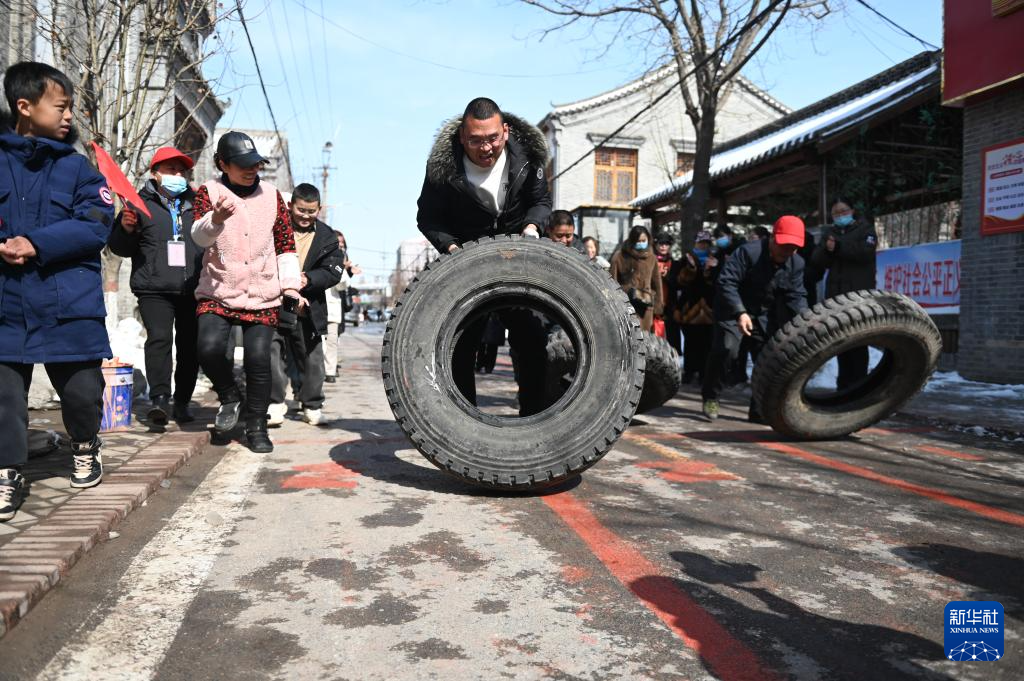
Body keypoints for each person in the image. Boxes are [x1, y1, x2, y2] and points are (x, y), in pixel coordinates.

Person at [0, 62, 113, 521]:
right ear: (25, 107)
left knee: (82, 391)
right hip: (7, 303)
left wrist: (36, 243)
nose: (68, 116)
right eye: (60, 106)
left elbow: (96, 223)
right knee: (4, 396)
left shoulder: (79, 169)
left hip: (69, 302)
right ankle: (7, 470)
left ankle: (84, 445)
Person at [416, 97, 552, 416]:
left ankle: (535, 420)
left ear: (505, 131)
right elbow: (428, 217)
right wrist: (452, 249)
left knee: (532, 341)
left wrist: (531, 228)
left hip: (516, 261)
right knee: (460, 346)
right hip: (467, 267)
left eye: (493, 138)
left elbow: (541, 202)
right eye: (476, 140)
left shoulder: (527, 158)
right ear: (463, 137)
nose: (486, 147)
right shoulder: (443, 168)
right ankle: (464, 424)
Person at [191, 131, 302, 453]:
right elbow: (199, 238)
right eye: (243, 165)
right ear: (223, 164)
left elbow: (285, 245)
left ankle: (256, 426)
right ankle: (230, 396)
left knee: (258, 360)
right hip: (218, 288)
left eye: (256, 164)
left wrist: (291, 288)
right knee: (208, 348)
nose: (252, 170)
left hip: (262, 291)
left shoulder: (273, 196)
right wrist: (215, 219)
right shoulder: (209, 192)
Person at [108, 147, 202, 425]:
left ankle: (182, 401)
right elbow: (119, 248)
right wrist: (126, 229)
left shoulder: (198, 204)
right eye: (171, 169)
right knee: (159, 339)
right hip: (153, 287)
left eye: (181, 171)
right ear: (155, 173)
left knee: (189, 346)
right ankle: (159, 399)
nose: (178, 175)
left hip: (192, 287)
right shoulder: (137, 205)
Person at [701, 216, 808, 422]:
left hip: (763, 314)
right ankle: (711, 396)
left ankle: (758, 407)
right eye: (784, 246)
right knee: (727, 350)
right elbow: (727, 282)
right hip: (732, 309)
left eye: (793, 248)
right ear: (773, 238)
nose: (787, 252)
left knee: (768, 359)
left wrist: (805, 319)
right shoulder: (748, 252)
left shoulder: (797, 263)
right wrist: (740, 312)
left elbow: (797, 295)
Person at [267, 184, 342, 427]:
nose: (305, 216)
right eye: (301, 210)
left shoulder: (327, 237)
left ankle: (312, 405)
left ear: (319, 209)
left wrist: (308, 279)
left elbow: (333, 271)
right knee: (271, 352)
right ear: (291, 206)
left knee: (312, 357)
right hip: (274, 300)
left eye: (311, 211)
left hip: (309, 305)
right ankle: (274, 403)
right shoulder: (274, 228)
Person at [811, 198, 878, 390]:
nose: (840, 216)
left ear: (852, 210)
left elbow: (864, 253)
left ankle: (859, 385)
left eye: (843, 211)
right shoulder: (830, 232)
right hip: (836, 296)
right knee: (841, 341)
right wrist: (827, 249)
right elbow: (818, 260)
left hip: (859, 296)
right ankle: (843, 385)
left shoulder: (866, 230)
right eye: (836, 213)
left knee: (858, 340)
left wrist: (838, 247)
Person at [676, 230, 717, 384]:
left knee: (707, 342)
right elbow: (680, 281)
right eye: (701, 242)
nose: (703, 245)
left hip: (708, 308)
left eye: (706, 243)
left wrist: (711, 270)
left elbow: (717, 282)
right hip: (690, 307)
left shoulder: (713, 259)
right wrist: (691, 268)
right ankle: (689, 371)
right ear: (696, 243)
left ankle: (703, 372)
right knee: (690, 341)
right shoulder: (686, 258)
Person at [609, 225, 662, 332]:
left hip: (646, 308)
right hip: (626, 306)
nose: (641, 243)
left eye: (643, 241)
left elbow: (657, 283)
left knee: (645, 338)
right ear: (632, 240)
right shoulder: (620, 256)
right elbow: (611, 282)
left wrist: (657, 306)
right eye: (638, 241)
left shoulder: (651, 258)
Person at [323, 230, 360, 383]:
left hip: (333, 307)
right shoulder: (319, 255)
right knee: (319, 342)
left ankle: (330, 371)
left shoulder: (340, 260)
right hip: (315, 305)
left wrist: (343, 270)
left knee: (332, 340)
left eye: (342, 243)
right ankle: (318, 370)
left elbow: (343, 285)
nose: (340, 246)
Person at [654, 233, 681, 351]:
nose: (663, 246)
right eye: (661, 243)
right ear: (656, 245)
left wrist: (667, 277)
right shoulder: (650, 262)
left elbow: (679, 285)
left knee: (672, 341)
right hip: (653, 306)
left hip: (670, 307)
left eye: (666, 244)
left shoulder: (675, 264)